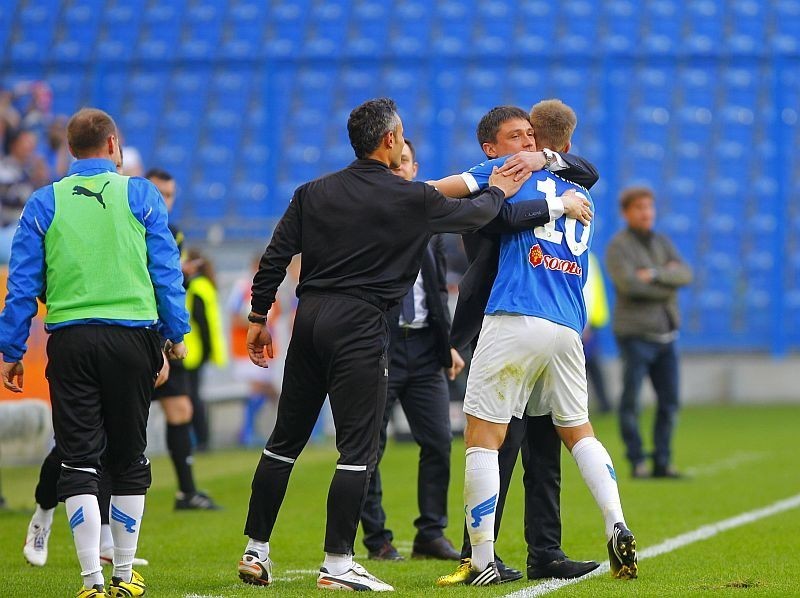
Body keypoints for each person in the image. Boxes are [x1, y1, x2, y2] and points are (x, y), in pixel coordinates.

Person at [236, 97, 528, 592]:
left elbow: (275, 256)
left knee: (283, 443)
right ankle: (337, 562)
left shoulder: (312, 192)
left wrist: (259, 317)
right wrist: (500, 187)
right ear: (390, 139)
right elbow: (474, 215)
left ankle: (255, 550)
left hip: (309, 322)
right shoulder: (408, 196)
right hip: (362, 326)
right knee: (358, 451)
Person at [436, 100, 637, 586]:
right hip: (566, 328)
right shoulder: (575, 188)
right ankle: (616, 522)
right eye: (517, 137)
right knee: (576, 431)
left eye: (531, 137)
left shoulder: (507, 173)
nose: (525, 145)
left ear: (545, 144)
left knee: (486, 437)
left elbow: (440, 195)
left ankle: (481, 558)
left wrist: (389, 194)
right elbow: (583, 171)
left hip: (514, 317)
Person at [0, 107, 189, 597]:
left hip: (71, 339)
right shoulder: (140, 193)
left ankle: (90, 580)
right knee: (128, 457)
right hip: (132, 337)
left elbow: (22, 283)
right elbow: (165, 269)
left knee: (79, 459)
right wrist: (176, 332)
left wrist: (12, 348)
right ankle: (125, 576)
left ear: (69, 150)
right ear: (113, 145)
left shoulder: (44, 202)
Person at [359, 139, 464, 563]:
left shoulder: (429, 221)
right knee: (368, 448)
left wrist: (449, 345)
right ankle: (377, 539)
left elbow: (436, 289)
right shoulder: (368, 222)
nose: (399, 169)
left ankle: (431, 533)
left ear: (415, 167)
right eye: (393, 163)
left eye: (405, 163)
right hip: (379, 348)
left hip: (423, 348)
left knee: (439, 441)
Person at [605, 186, 693, 479]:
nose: (646, 213)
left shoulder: (662, 241)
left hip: (667, 333)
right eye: (640, 207)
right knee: (631, 401)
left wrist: (655, 274)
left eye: (649, 207)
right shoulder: (618, 246)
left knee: (669, 402)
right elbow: (630, 285)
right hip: (635, 334)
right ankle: (637, 461)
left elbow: (686, 274)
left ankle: (663, 461)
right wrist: (668, 284)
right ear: (626, 212)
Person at [146, 168, 220, 508]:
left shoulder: (172, 233)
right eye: (159, 193)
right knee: (117, 419)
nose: (165, 201)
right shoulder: (132, 228)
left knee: (180, 408)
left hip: (160, 337)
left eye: (170, 195)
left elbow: (168, 282)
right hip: (134, 333)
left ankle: (186, 491)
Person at [182, 247, 228, 451]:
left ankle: (201, 439)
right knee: (195, 395)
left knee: (191, 397)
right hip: (199, 349)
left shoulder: (195, 287)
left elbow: (200, 321)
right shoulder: (205, 285)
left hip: (193, 350)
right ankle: (201, 438)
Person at [583, 252, 613, 413]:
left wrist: (585, 324)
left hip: (586, 322)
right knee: (591, 364)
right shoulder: (590, 257)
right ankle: (604, 403)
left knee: (585, 365)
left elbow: (586, 292)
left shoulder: (583, 256)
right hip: (590, 320)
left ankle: (602, 404)